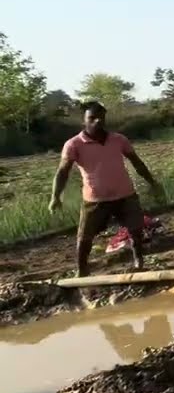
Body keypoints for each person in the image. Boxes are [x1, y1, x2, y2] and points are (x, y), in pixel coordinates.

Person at [49, 101, 165, 277]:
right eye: (92, 118)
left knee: (135, 230)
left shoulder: (119, 140)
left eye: (101, 118)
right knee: (85, 236)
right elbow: (62, 172)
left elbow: (137, 163)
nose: (97, 121)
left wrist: (152, 182)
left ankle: (139, 262)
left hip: (125, 194)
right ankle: (82, 270)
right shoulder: (74, 144)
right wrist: (55, 197)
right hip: (95, 199)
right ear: (84, 121)